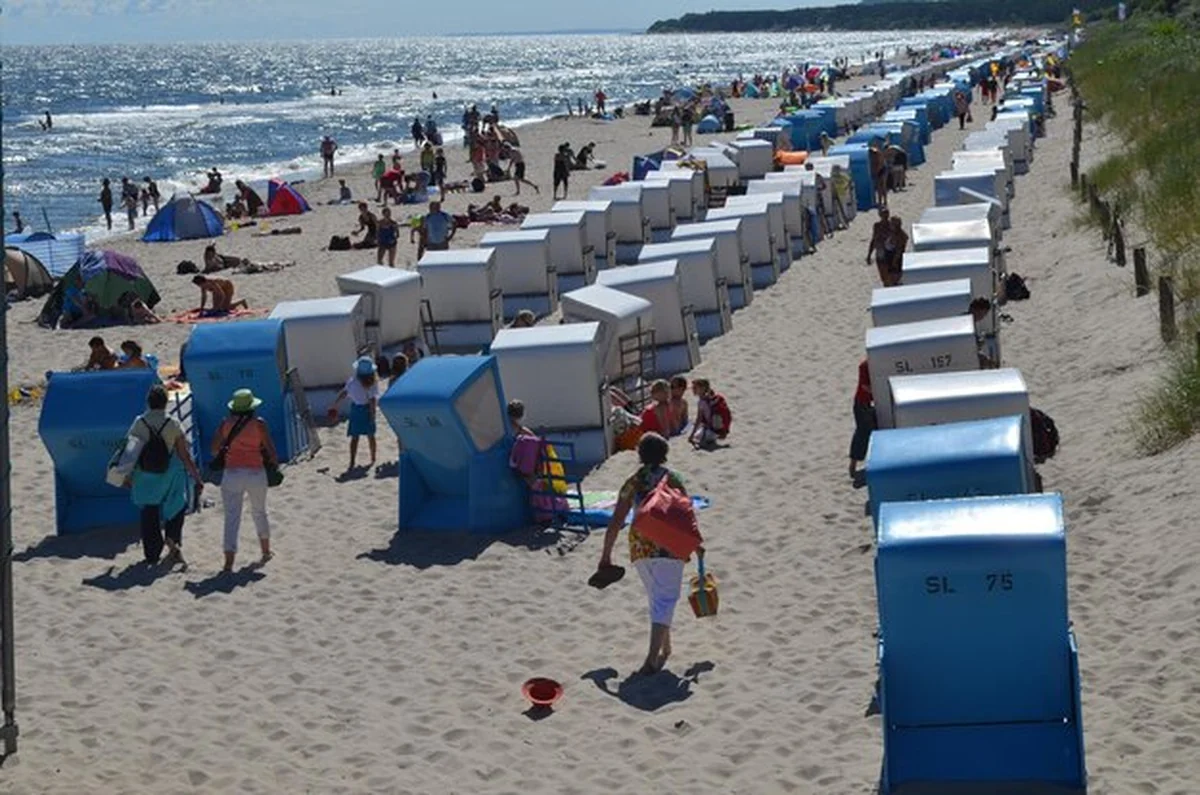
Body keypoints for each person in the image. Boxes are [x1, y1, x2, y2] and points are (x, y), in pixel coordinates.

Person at [597, 432, 698, 675]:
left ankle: (665, 647)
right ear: (664, 454)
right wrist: (695, 543)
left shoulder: (633, 481)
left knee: (657, 596)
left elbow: (616, 521)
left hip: (641, 545)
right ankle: (652, 660)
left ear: (640, 454)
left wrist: (606, 555)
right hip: (670, 544)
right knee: (665, 598)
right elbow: (686, 514)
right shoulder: (674, 479)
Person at [127, 385, 203, 567]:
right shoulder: (173, 423)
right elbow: (184, 455)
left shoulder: (139, 422)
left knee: (149, 512)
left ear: (149, 402)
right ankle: (172, 540)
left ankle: (152, 554)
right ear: (165, 403)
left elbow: (130, 452)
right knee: (177, 506)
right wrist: (197, 478)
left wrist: (127, 476)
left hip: (146, 475)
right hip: (170, 473)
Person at [212, 389, 277, 572]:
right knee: (259, 512)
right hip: (256, 472)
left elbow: (214, 449)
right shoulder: (259, 424)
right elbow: (271, 451)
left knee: (232, 518)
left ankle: (229, 562)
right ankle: (265, 551)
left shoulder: (225, 424)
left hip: (232, 473)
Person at [328, 356, 382, 471]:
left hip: (356, 410)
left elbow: (344, 393)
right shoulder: (373, 384)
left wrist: (335, 404)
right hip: (367, 410)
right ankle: (373, 458)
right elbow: (372, 402)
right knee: (371, 436)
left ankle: (352, 460)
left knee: (354, 437)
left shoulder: (352, 382)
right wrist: (372, 416)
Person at [848, 359, 874, 484]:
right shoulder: (864, 366)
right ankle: (852, 465)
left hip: (871, 404)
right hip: (862, 404)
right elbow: (865, 386)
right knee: (862, 433)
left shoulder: (880, 364)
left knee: (874, 432)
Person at [689, 378, 731, 449]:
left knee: (697, 436)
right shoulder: (714, 398)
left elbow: (698, 419)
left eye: (695, 387)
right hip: (718, 429)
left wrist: (691, 435)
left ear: (703, 388)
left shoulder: (702, 402)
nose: (693, 389)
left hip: (711, 431)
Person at [866, 208, 891, 285]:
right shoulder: (877, 226)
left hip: (889, 251)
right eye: (884, 214)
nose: (885, 216)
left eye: (886, 214)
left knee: (889, 274)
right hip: (881, 251)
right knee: (883, 274)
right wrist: (869, 254)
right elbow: (874, 240)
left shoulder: (892, 225)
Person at [883, 216, 908, 287]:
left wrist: (894, 262)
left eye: (891, 223)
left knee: (894, 278)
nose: (890, 225)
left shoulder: (900, 236)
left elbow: (899, 251)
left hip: (895, 259)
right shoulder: (892, 233)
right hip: (890, 258)